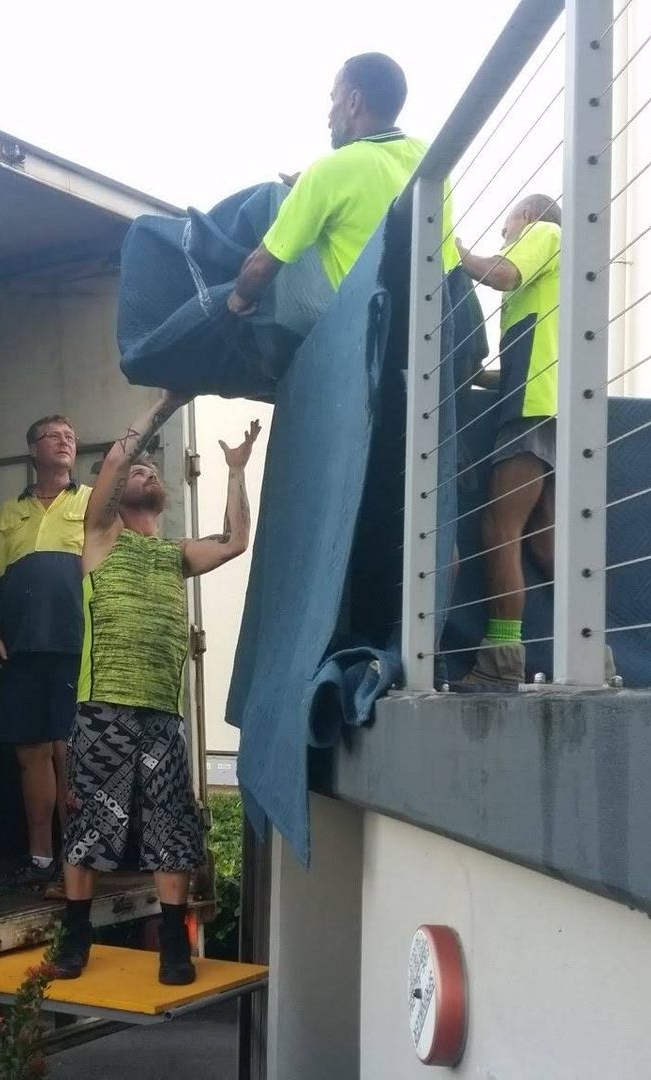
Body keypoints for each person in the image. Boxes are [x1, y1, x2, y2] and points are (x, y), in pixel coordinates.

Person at [52, 391, 259, 986]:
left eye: (152, 471)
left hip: (164, 715)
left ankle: (172, 945)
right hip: (103, 708)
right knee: (91, 826)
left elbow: (235, 539)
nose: (144, 470)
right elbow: (118, 458)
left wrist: (238, 469)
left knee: (171, 829)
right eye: (137, 469)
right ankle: (75, 936)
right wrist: (169, 403)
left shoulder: (174, 555)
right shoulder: (99, 537)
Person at [227, 52, 456, 316]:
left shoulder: (331, 170)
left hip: (376, 333)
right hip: (442, 319)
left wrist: (236, 301)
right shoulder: (428, 158)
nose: (329, 113)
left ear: (353, 102)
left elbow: (260, 267)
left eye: (334, 98)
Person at [450, 195, 564, 689]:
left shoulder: (547, 234)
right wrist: (476, 377)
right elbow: (527, 362)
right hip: (553, 407)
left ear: (528, 218)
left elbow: (499, 273)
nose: (504, 236)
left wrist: (453, 251)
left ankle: (499, 662)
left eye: (508, 224)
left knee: (500, 528)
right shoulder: (548, 286)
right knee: (547, 543)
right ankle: (595, 651)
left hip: (532, 412)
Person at [0, 414, 90, 896]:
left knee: (70, 753)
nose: (64, 442)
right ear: (32, 450)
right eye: (53, 436)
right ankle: (40, 857)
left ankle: (77, 860)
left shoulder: (91, 502)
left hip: (75, 646)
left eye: (70, 436)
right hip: (20, 648)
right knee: (31, 755)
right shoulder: (8, 514)